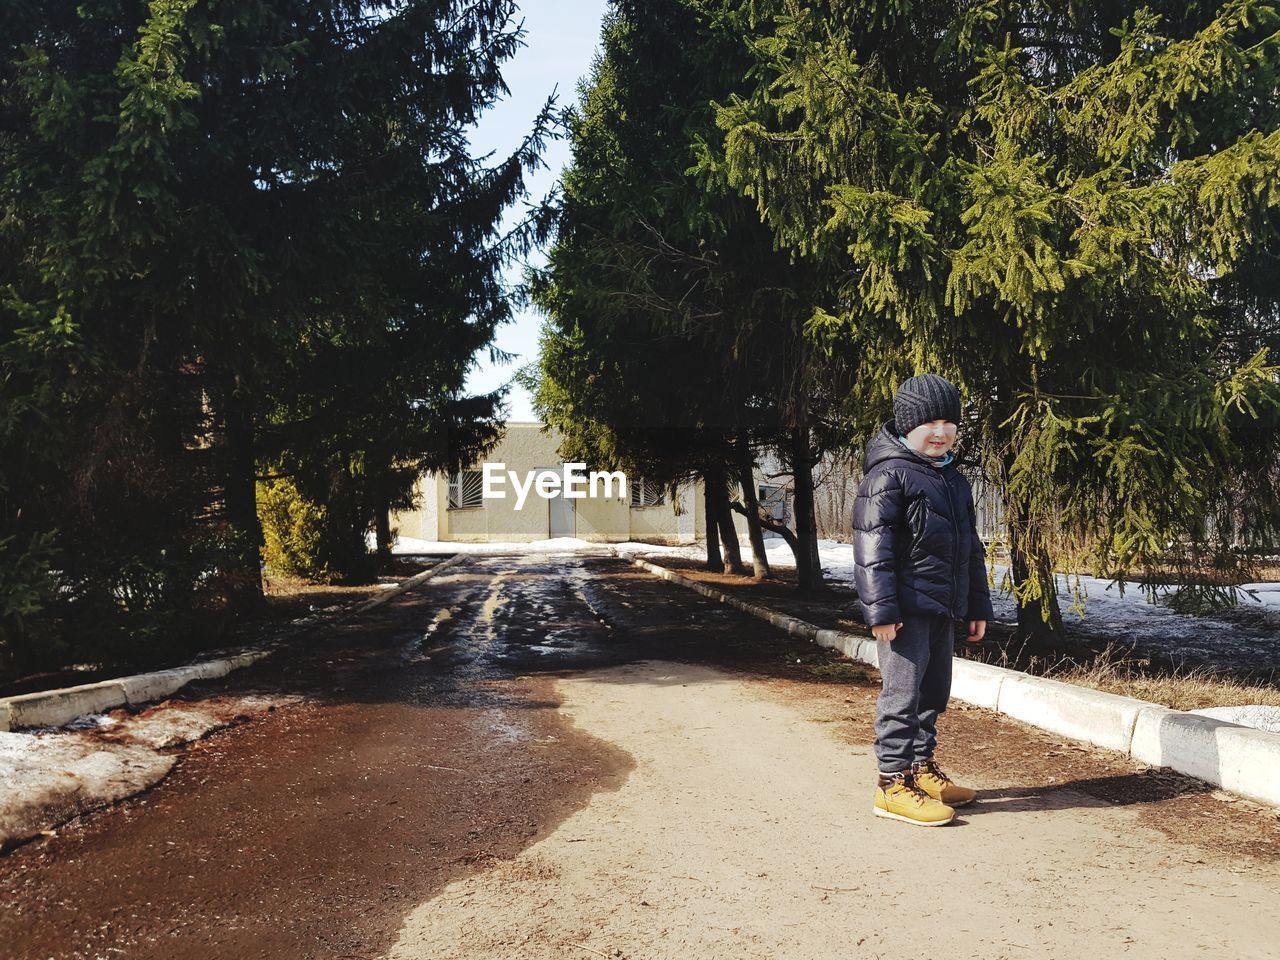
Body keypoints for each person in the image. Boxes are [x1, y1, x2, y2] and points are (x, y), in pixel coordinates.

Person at [852, 373, 993, 826]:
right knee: (902, 696)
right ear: (907, 424)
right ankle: (892, 784)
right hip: (906, 612)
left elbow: (969, 548)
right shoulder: (888, 474)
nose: (941, 431)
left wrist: (975, 606)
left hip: (944, 608)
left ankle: (920, 768)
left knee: (932, 693)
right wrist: (882, 611)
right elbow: (872, 549)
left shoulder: (952, 478)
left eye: (949, 421)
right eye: (930, 422)